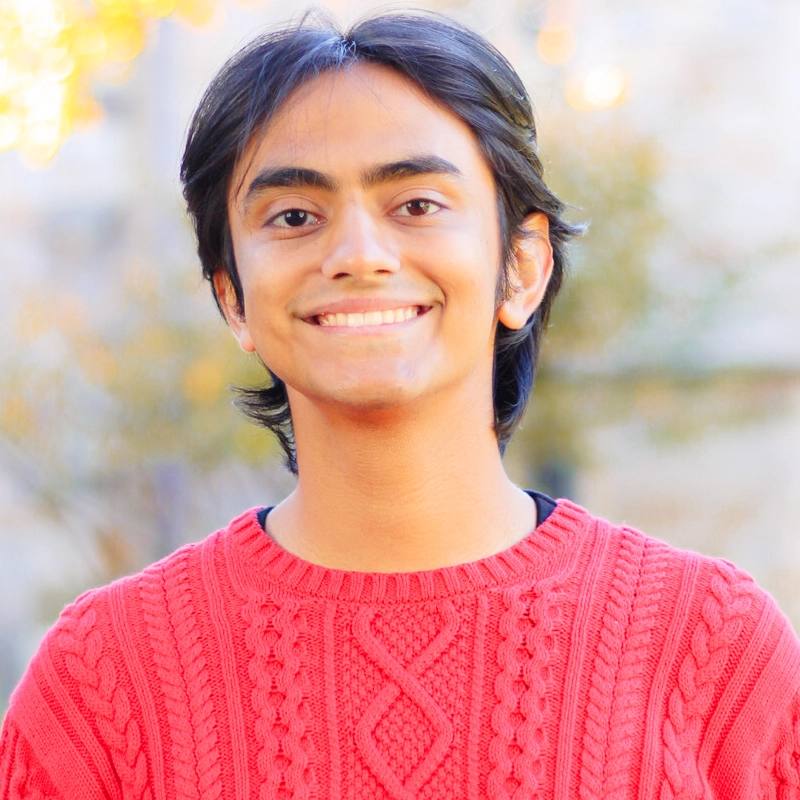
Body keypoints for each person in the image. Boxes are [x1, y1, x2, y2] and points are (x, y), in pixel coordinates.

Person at [1, 10, 799, 799]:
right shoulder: (104, 682)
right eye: (294, 217)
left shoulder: (712, 650)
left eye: (416, 205)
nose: (356, 256)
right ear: (233, 298)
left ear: (522, 268)